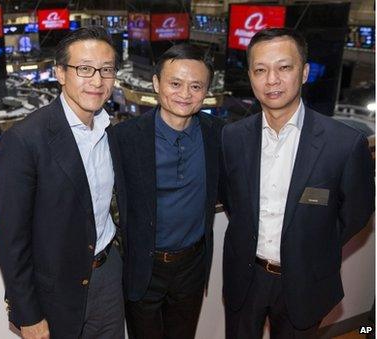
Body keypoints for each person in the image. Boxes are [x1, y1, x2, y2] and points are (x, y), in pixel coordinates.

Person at [221, 28, 374, 338]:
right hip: (245, 276)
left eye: (284, 67)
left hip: (306, 279)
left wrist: (313, 244)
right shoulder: (232, 137)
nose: (272, 79)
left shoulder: (343, 143)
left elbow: (357, 212)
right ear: (250, 76)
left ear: (304, 72)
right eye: (260, 70)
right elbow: (232, 199)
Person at [0, 26, 126, 339]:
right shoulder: (25, 139)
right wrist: (28, 315)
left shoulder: (113, 130)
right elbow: (12, 240)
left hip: (108, 274)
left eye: (106, 70)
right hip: (56, 290)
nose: (97, 81)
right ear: (60, 73)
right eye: (84, 69)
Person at [115, 44, 225, 338]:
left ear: (206, 91)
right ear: (156, 84)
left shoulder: (219, 134)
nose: (185, 94)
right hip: (143, 267)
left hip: (192, 266)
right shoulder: (123, 138)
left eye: (196, 86)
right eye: (175, 83)